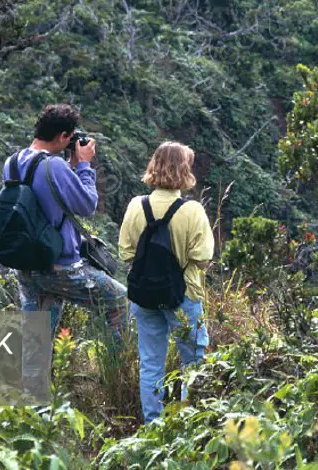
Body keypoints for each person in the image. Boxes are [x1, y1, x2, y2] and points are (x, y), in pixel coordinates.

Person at [9, 104, 127, 346]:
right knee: (118, 299)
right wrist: (84, 165)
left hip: (27, 265)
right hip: (60, 267)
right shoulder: (55, 166)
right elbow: (87, 205)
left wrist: (70, 165)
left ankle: (34, 384)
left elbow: (46, 195)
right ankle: (117, 371)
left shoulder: (14, 161)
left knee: (36, 340)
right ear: (63, 136)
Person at [119, 141, 215, 424]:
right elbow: (203, 257)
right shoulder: (192, 210)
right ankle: (188, 425)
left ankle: (154, 426)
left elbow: (126, 253)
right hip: (183, 295)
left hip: (144, 295)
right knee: (193, 363)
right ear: (185, 170)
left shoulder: (137, 205)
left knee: (150, 364)